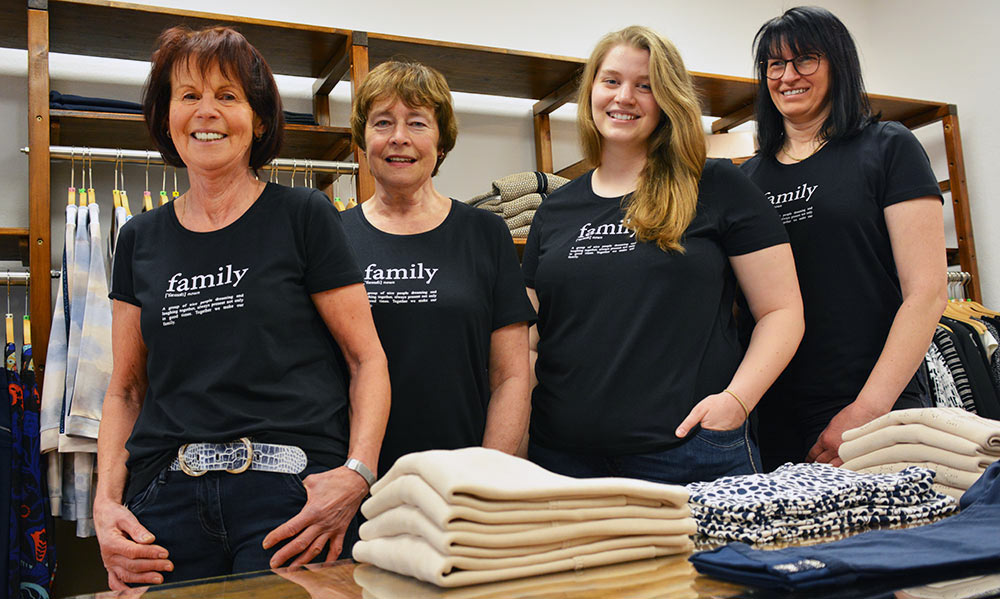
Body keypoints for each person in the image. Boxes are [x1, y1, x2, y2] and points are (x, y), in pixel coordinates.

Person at [93, 26, 390, 590]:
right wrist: (106, 505)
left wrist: (356, 475)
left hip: (292, 499)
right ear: (165, 117)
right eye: (189, 96)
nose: (207, 112)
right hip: (166, 497)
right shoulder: (138, 237)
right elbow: (126, 390)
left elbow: (366, 359)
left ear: (258, 120)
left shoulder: (304, 215)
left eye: (227, 96)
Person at [521, 25, 804, 484]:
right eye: (611, 81)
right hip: (563, 462)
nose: (624, 97)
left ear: (668, 99)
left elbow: (782, 310)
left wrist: (736, 401)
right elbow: (530, 340)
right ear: (591, 89)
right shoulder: (555, 208)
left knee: (722, 562)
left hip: (690, 453)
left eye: (646, 86)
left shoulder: (717, 185)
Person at [743, 6, 947, 469]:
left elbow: (928, 293)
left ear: (838, 63)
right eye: (775, 65)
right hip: (774, 414)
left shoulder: (888, 146)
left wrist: (867, 409)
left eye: (805, 60)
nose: (788, 75)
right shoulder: (748, 178)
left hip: (873, 404)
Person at [341, 60, 535, 477]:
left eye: (416, 123)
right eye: (382, 123)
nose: (398, 139)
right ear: (363, 138)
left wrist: (486, 476)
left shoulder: (485, 233)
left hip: (461, 475)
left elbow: (512, 377)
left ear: (441, 142)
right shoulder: (331, 238)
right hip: (356, 478)